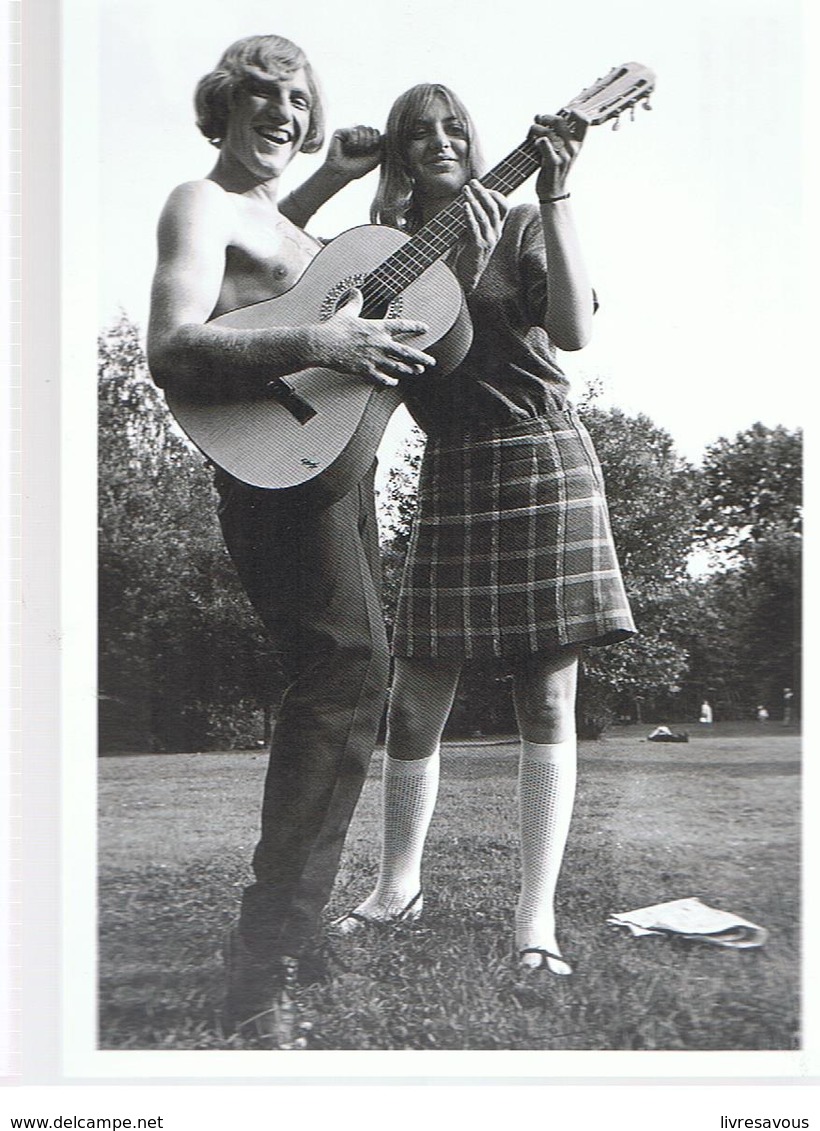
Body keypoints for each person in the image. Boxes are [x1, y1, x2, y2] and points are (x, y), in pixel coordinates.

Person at [146, 35, 439, 1041]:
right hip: (273, 473)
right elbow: (174, 345)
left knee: (360, 677)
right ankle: (262, 961)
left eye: (297, 98)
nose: (281, 109)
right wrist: (325, 340)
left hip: (336, 467)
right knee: (342, 675)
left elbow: (282, 274)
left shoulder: (274, 213)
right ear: (221, 106)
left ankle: (293, 934)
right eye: (261, 94)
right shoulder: (197, 201)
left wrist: (332, 181)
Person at [329, 83, 637, 977]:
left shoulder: (518, 222)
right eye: (417, 131)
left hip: (542, 454)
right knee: (415, 695)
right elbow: (389, 347)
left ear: (475, 137)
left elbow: (575, 331)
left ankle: (534, 920)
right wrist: (450, 268)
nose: (440, 139)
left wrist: (554, 195)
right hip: (455, 462)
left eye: (453, 124)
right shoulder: (378, 254)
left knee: (546, 695)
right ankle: (397, 890)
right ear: (397, 152)